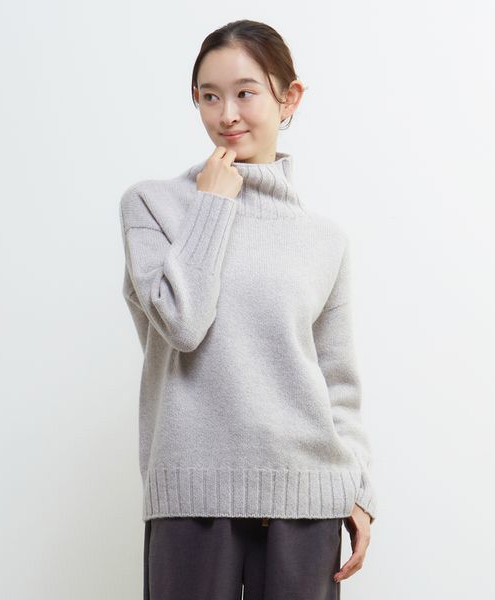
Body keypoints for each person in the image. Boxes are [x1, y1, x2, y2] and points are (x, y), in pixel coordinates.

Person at [119, 19, 377, 600]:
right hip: (192, 494)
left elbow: (338, 380)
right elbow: (183, 324)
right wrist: (213, 205)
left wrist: (359, 487)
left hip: (308, 497)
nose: (227, 114)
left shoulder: (324, 239)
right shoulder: (152, 207)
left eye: (245, 92)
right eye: (209, 96)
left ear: (290, 97)